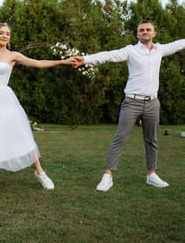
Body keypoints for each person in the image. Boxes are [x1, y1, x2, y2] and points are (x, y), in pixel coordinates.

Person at [0, 18, 76, 195]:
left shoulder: (13, 56)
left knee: (21, 135)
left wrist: (63, 62)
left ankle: (40, 172)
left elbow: (38, 63)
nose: (4, 36)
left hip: (4, 100)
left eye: (7, 34)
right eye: (1, 33)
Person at [74, 20, 185, 192]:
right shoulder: (130, 51)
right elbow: (108, 55)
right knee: (120, 138)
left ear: (154, 33)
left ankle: (151, 175)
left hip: (152, 103)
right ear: (137, 34)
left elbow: (179, 44)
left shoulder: (160, 50)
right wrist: (86, 59)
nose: (145, 32)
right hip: (132, 102)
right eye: (141, 30)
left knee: (152, 140)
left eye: (148, 30)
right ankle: (108, 176)